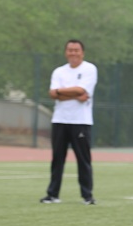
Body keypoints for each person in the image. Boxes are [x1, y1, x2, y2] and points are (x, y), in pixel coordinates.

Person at [40, 39, 98, 205]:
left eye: (76, 50)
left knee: (83, 159)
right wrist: (71, 93)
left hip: (81, 121)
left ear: (82, 52)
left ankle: (87, 196)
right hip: (60, 120)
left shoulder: (89, 69)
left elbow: (83, 91)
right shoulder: (58, 71)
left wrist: (61, 93)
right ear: (66, 52)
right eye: (70, 50)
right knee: (57, 158)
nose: (73, 53)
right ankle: (52, 194)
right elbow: (53, 94)